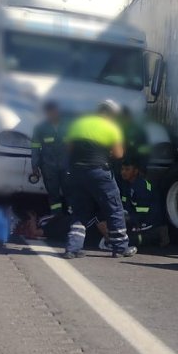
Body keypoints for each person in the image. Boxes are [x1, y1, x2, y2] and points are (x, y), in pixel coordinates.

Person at [62, 100, 136, 259]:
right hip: (99, 172)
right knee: (114, 208)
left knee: (80, 211)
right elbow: (119, 154)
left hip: (76, 172)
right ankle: (120, 247)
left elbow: (68, 149)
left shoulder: (78, 124)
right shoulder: (111, 127)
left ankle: (72, 248)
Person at [117, 160, 169, 247]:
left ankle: (158, 234)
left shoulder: (142, 187)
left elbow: (143, 213)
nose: (123, 172)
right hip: (136, 219)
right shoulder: (126, 185)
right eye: (122, 169)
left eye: (127, 169)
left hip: (149, 221)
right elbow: (126, 205)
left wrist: (128, 220)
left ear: (135, 171)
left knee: (126, 241)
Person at [31, 100, 67, 220]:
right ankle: (57, 217)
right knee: (53, 194)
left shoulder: (67, 126)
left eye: (55, 112)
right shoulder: (40, 128)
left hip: (66, 166)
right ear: (47, 113)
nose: (53, 114)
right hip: (48, 167)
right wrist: (34, 165)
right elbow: (35, 147)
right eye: (50, 112)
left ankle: (73, 218)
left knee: (71, 192)